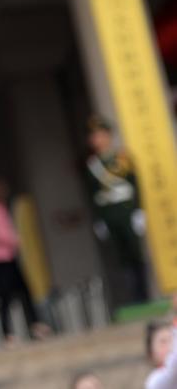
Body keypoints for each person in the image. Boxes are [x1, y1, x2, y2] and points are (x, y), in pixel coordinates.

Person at [0, 176, 49, 343]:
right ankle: (8, 333)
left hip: (8, 256)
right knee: (5, 297)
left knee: (23, 291)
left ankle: (35, 325)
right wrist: (13, 239)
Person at [85, 115, 148, 303]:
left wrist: (139, 211)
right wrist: (99, 219)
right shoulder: (93, 165)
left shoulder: (123, 157)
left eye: (100, 135)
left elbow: (134, 185)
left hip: (127, 210)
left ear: (108, 136)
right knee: (121, 257)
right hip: (110, 214)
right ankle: (134, 297)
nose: (96, 140)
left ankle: (143, 295)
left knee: (135, 253)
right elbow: (94, 195)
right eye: (93, 136)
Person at [145, 295, 177, 389]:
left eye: (172, 339)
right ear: (151, 353)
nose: (170, 346)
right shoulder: (154, 380)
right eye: (163, 342)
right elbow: (173, 367)